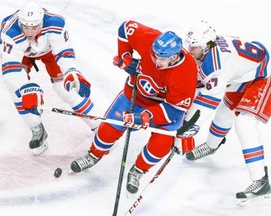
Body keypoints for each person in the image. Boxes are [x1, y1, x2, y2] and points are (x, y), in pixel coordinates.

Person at [69, 20, 198, 194]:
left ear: (174, 56)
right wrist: (125, 56)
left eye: (161, 58)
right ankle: (94, 154)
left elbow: (175, 110)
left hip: (163, 108)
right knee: (108, 128)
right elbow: (125, 28)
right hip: (135, 95)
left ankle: (138, 170)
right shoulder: (149, 39)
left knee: (161, 143)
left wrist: (144, 117)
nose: (156, 60)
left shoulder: (187, 71)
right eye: (154, 55)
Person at [182, 20, 271, 203]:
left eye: (194, 47)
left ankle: (261, 181)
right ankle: (212, 146)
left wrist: (190, 125)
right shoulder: (208, 53)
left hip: (263, 77)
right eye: (189, 45)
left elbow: (208, 99)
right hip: (244, 76)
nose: (189, 50)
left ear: (207, 46)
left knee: (244, 125)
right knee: (225, 112)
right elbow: (201, 87)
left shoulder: (217, 63)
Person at [0, 1, 100, 155]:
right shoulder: (10, 32)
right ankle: (36, 127)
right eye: (25, 27)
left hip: (50, 52)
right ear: (20, 22)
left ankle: (98, 127)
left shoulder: (55, 23)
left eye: (34, 27)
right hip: (23, 54)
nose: (30, 32)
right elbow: (9, 67)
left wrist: (72, 71)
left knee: (67, 87)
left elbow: (64, 52)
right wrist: (26, 90)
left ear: (42, 22)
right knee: (16, 90)